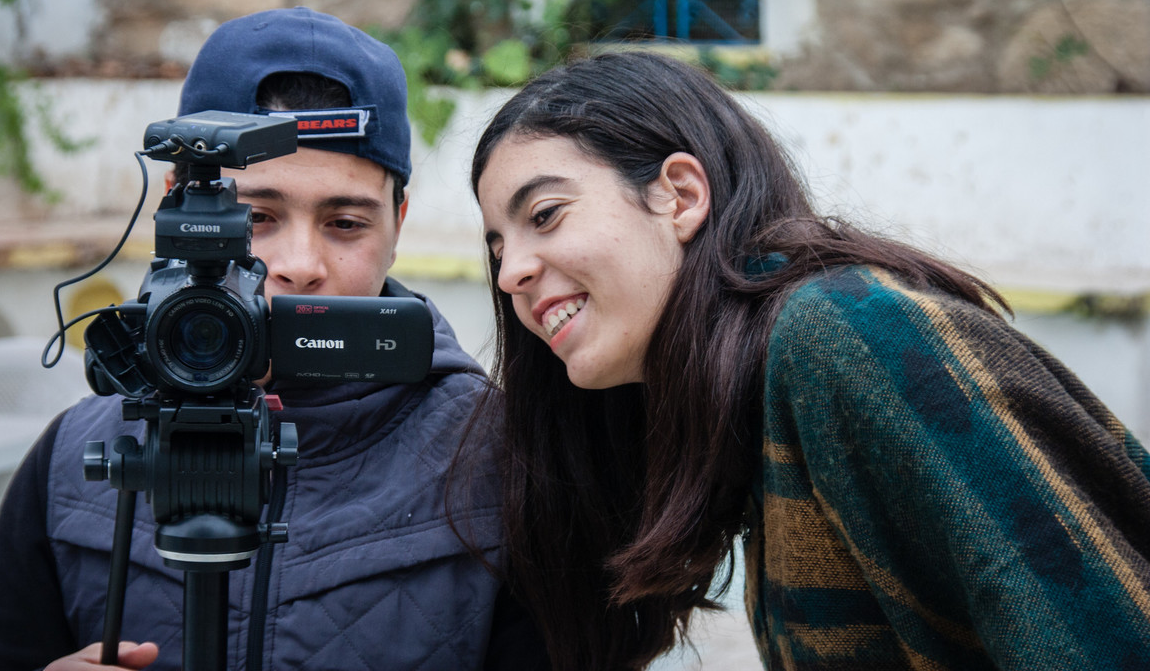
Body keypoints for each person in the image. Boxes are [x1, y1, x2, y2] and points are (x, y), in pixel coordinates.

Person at [467, 50, 1150, 670]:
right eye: (498, 248)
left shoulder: (844, 334)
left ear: (680, 195)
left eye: (547, 215)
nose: (511, 275)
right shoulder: (757, 406)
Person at [0, 7, 544, 671]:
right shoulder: (72, 459)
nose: (301, 263)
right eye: (256, 217)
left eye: (345, 222)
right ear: (179, 207)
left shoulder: (501, 459)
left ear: (398, 224)